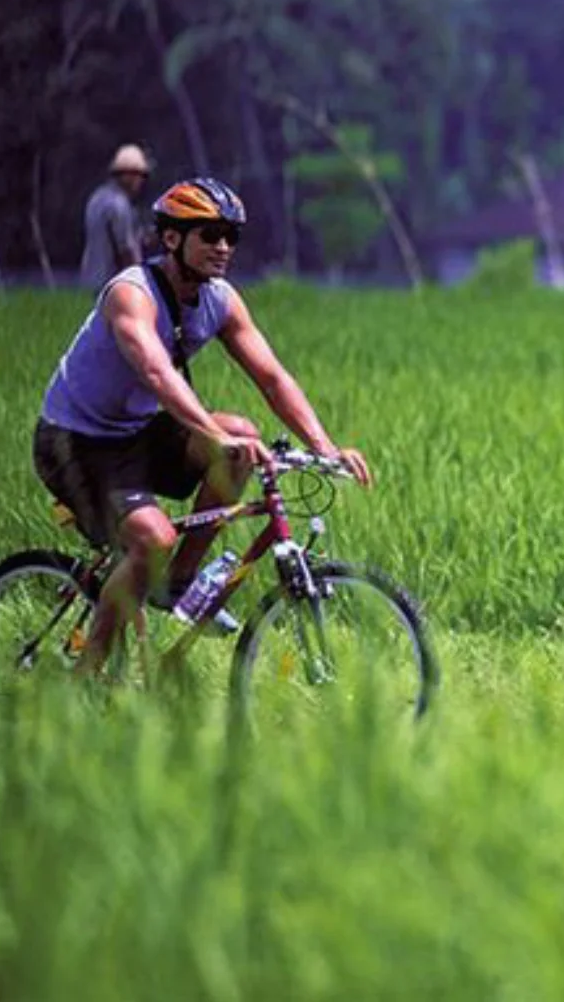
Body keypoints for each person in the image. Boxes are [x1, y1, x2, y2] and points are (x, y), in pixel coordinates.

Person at [33, 177, 372, 673]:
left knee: (242, 438)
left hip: (138, 432)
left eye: (231, 236)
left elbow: (272, 378)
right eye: (210, 233)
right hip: (75, 442)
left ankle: (179, 582)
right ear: (172, 238)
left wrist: (325, 446)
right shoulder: (131, 294)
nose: (223, 246)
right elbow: (156, 371)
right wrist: (213, 434)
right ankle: (86, 678)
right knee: (153, 539)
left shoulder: (220, 299)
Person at [80, 144, 152, 288]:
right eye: (139, 175)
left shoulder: (98, 197)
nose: (141, 181)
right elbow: (125, 249)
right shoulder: (118, 204)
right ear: (127, 175)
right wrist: (140, 283)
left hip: (92, 279)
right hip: (111, 282)